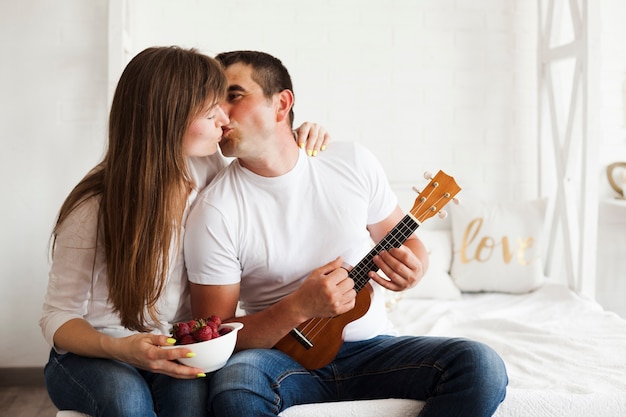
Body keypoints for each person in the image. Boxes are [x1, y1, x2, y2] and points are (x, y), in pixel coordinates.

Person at [184, 50, 509, 417]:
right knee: (237, 386)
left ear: (282, 104)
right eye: (214, 102)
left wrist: (414, 268)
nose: (222, 114)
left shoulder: (351, 162)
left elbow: (409, 242)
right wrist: (297, 308)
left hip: (373, 350)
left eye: (235, 95)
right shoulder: (215, 210)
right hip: (281, 359)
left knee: (480, 365)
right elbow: (216, 333)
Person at [39, 46, 328, 417]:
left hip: (170, 345)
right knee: (128, 401)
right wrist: (121, 349)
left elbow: (270, 155)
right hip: (93, 351)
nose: (224, 120)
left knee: (191, 404)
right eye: (211, 113)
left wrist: (296, 132)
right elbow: (57, 316)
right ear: (170, 119)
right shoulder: (93, 206)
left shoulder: (207, 172)